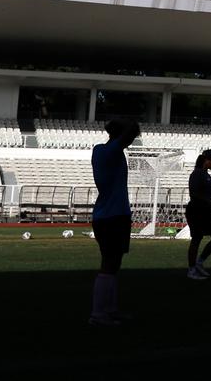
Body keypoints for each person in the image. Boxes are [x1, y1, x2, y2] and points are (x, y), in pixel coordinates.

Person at [89, 118, 140, 326]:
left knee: (113, 264)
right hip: (113, 215)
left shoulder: (99, 150)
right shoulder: (112, 151)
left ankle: (109, 310)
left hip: (105, 215)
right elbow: (131, 131)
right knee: (109, 265)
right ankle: (99, 313)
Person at [185, 149, 211, 280]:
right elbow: (194, 194)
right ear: (207, 161)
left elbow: (206, 194)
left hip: (207, 211)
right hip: (197, 211)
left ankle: (199, 263)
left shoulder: (205, 174)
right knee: (196, 239)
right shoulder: (197, 174)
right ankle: (192, 270)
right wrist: (210, 202)